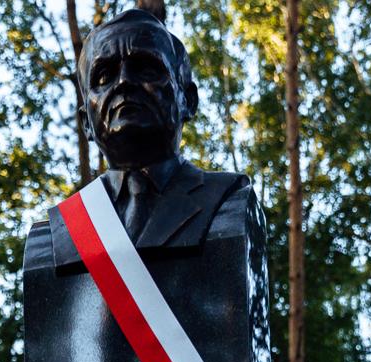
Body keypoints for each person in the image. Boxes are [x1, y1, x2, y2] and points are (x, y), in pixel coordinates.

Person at [48, 8, 255, 268]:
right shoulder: (65, 228)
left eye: (145, 69)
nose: (123, 82)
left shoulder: (227, 200)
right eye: (104, 76)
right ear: (86, 123)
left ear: (188, 100)